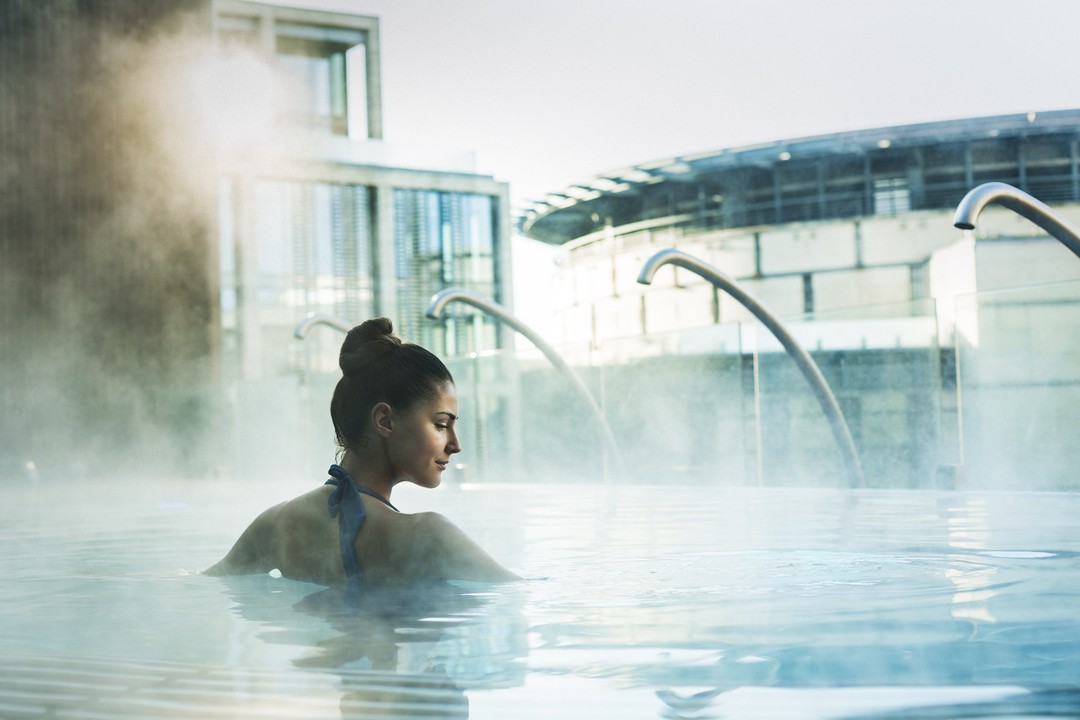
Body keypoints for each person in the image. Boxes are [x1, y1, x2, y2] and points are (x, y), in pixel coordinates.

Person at [205, 317, 519, 589]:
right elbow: (517, 601)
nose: (455, 444)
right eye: (440, 424)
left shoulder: (276, 525)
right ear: (385, 420)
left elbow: (205, 590)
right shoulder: (429, 539)